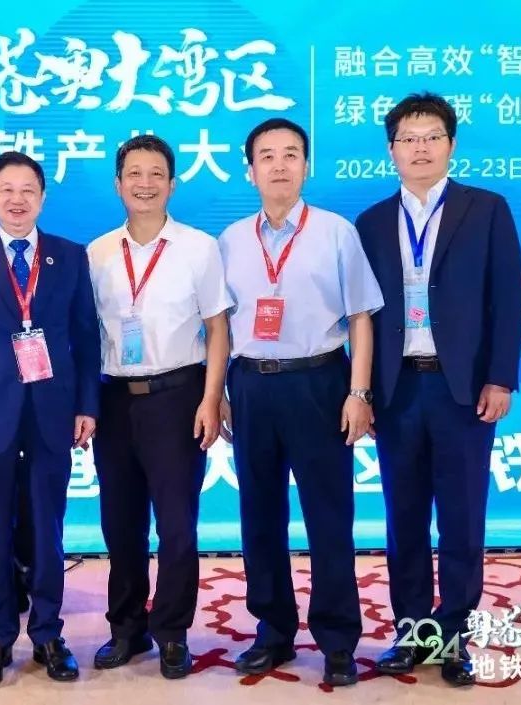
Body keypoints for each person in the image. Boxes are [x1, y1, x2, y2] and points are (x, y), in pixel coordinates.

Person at [355, 92, 521, 686]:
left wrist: (500, 377)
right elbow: (361, 317)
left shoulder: (486, 209)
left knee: (461, 517)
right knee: (403, 518)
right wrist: (363, 392)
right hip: (397, 389)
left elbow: (509, 298)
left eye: (432, 136)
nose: (421, 148)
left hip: (464, 391)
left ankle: (452, 637)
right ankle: (410, 634)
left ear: (451, 145)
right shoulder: (372, 222)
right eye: (409, 138)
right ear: (392, 150)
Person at [217, 118, 383, 687]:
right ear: (250, 170)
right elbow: (220, 325)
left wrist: (359, 392)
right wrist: (221, 393)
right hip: (252, 384)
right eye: (267, 156)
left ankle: (337, 639)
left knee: (329, 515)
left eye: (291, 154)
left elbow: (361, 317)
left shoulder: (336, 232)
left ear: (306, 166)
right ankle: (273, 631)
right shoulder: (231, 240)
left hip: (319, 381)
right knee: (259, 514)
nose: (279, 165)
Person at [0, 151, 101, 689]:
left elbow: (87, 336)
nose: (17, 199)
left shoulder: (69, 256)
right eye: (6, 189)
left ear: (43, 197)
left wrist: (87, 405)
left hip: (53, 409)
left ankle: (49, 634)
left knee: (49, 527)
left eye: (28, 189)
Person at [86, 135, 232, 679]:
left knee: (176, 525)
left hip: (178, 397)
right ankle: (126, 628)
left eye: (156, 174)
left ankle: (172, 633)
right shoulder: (97, 252)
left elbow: (218, 329)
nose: (144, 184)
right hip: (114, 401)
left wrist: (212, 398)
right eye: (134, 174)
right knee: (119, 523)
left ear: (172, 184)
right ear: (118, 183)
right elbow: (86, 336)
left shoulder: (199, 247)